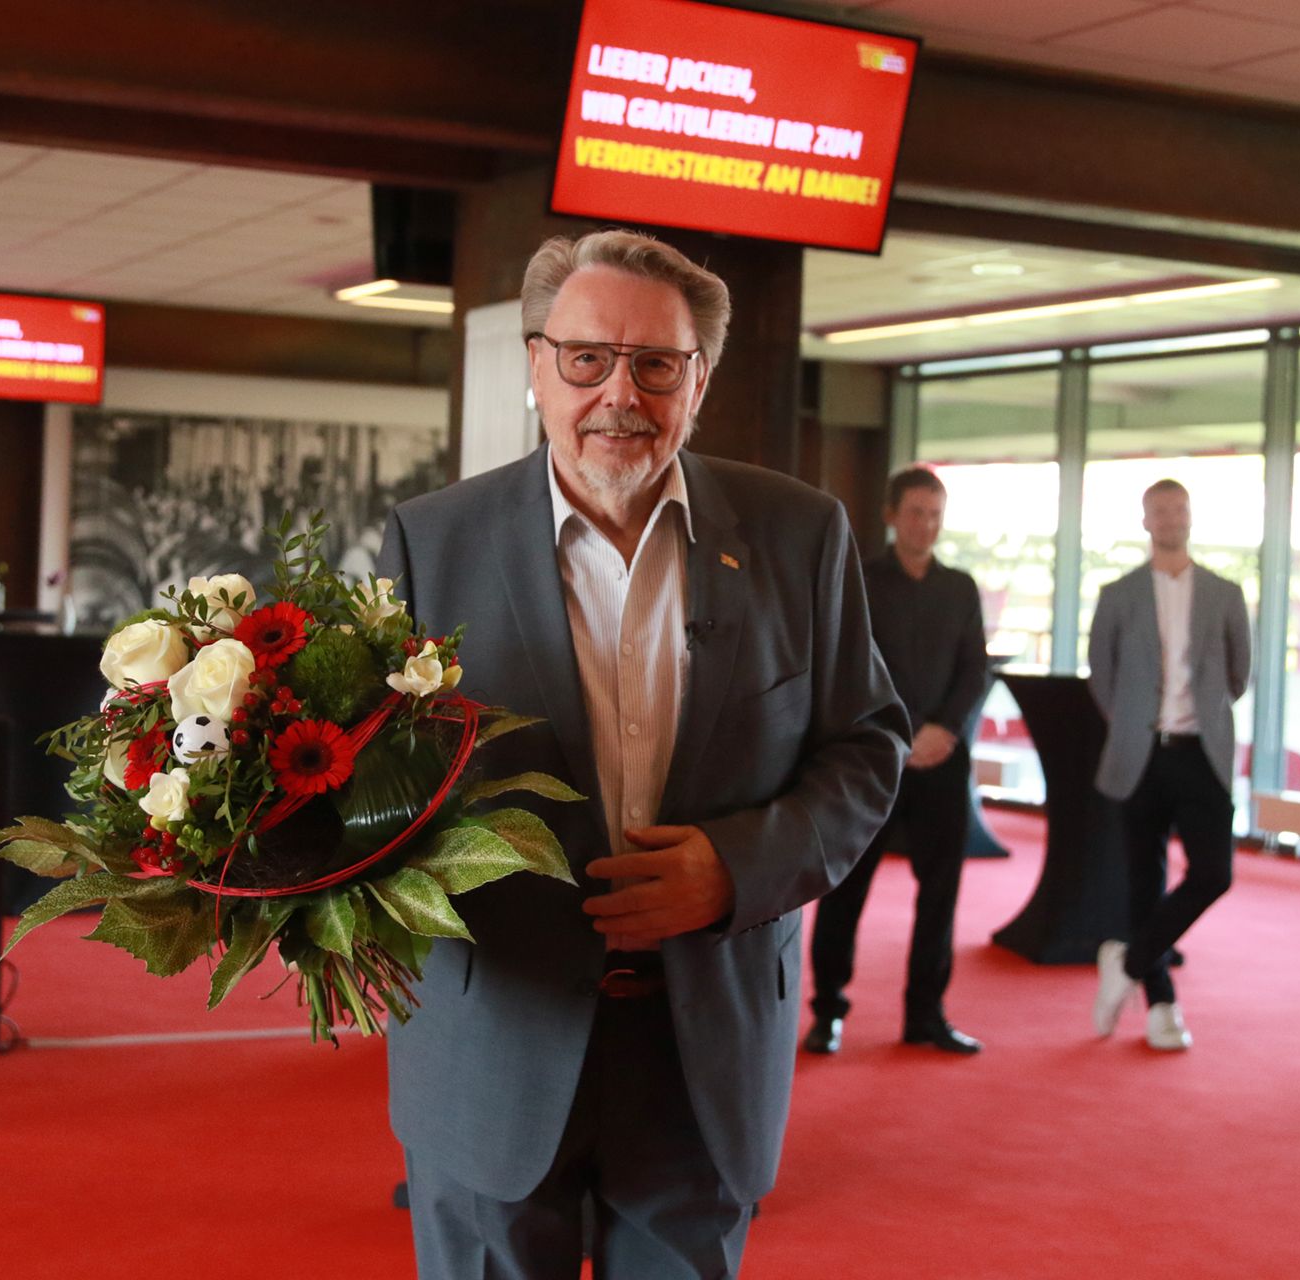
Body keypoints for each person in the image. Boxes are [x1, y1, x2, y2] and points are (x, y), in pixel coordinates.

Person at [376, 229, 909, 1277]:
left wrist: (736, 867)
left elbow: (866, 749)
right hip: (495, 1039)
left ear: (697, 381)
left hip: (701, 1048)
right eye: (587, 357)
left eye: (656, 364)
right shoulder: (431, 543)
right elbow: (370, 783)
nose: (620, 391)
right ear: (536, 364)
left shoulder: (800, 536)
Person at [804, 465, 989, 1057]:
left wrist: (945, 731)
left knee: (941, 894)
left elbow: (974, 670)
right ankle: (828, 1011)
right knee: (847, 890)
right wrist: (898, 739)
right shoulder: (860, 579)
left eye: (935, 514)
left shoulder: (960, 587)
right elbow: (846, 666)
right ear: (890, 516)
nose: (926, 525)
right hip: (872, 762)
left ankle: (926, 1014)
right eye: (916, 512)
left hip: (944, 758)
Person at [1087, 478, 1251, 1052]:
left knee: (1214, 874)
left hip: (1201, 751)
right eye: (1160, 511)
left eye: (1179, 509)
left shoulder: (1225, 593)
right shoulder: (1118, 594)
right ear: (1145, 521)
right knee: (1144, 880)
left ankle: (1126, 961)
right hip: (1141, 754)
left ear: (1190, 517)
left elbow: (1238, 675)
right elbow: (1101, 677)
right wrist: (1134, 722)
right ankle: (1160, 1006)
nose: (1171, 519)